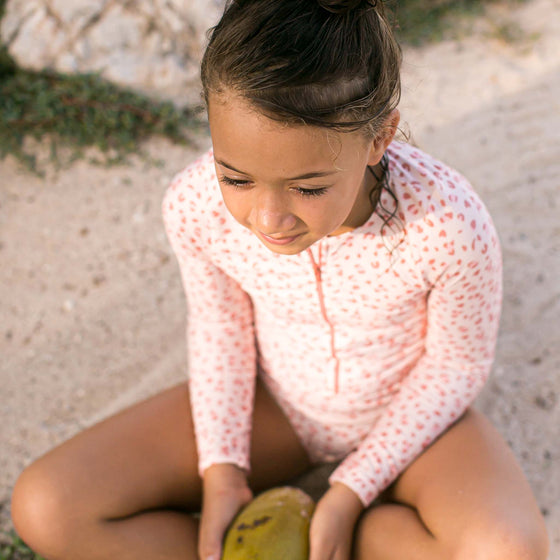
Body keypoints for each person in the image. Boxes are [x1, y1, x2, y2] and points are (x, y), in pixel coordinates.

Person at [10, 0, 549, 559]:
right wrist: (222, 472)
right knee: (49, 503)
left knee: (508, 549)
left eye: (309, 188)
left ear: (379, 138)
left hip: (413, 425)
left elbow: (456, 365)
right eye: (236, 177)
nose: (268, 220)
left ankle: (354, 534)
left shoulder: (447, 222)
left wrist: (351, 490)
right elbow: (221, 327)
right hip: (279, 408)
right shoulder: (195, 206)